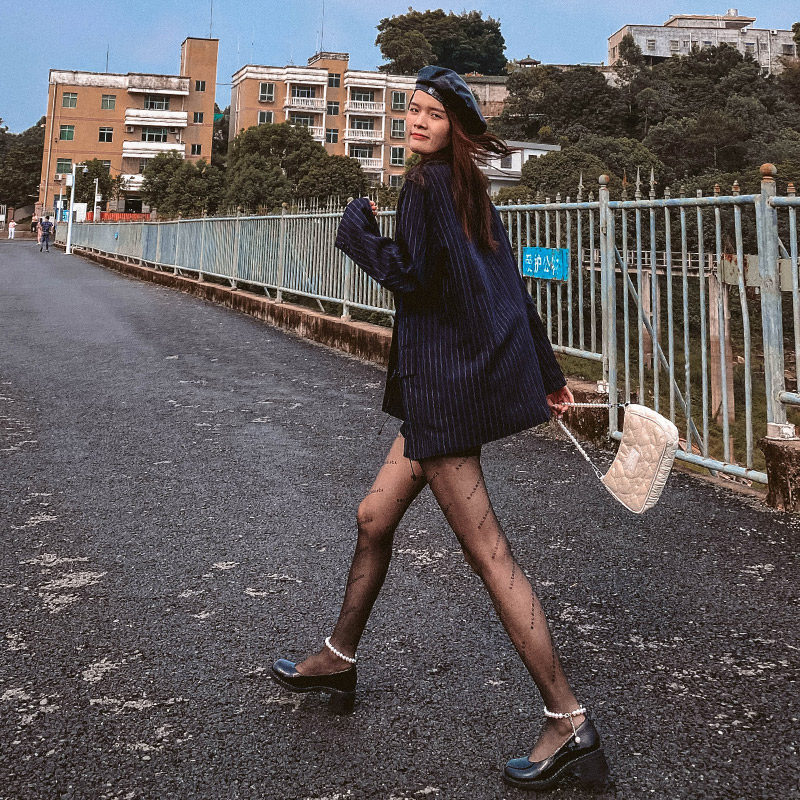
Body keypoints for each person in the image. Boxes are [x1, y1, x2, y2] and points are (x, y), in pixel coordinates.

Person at [271, 66, 609, 793]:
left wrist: (357, 235)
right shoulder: (467, 186)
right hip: (445, 392)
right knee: (373, 517)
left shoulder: (427, 185)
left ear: (457, 123)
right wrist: (548, 371)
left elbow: (415, 277)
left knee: (491, 557)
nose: (418, 121)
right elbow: (511, 287)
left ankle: (568, 720)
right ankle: (338, 658)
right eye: (413, 109)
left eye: (433, 112)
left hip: (444, 398)